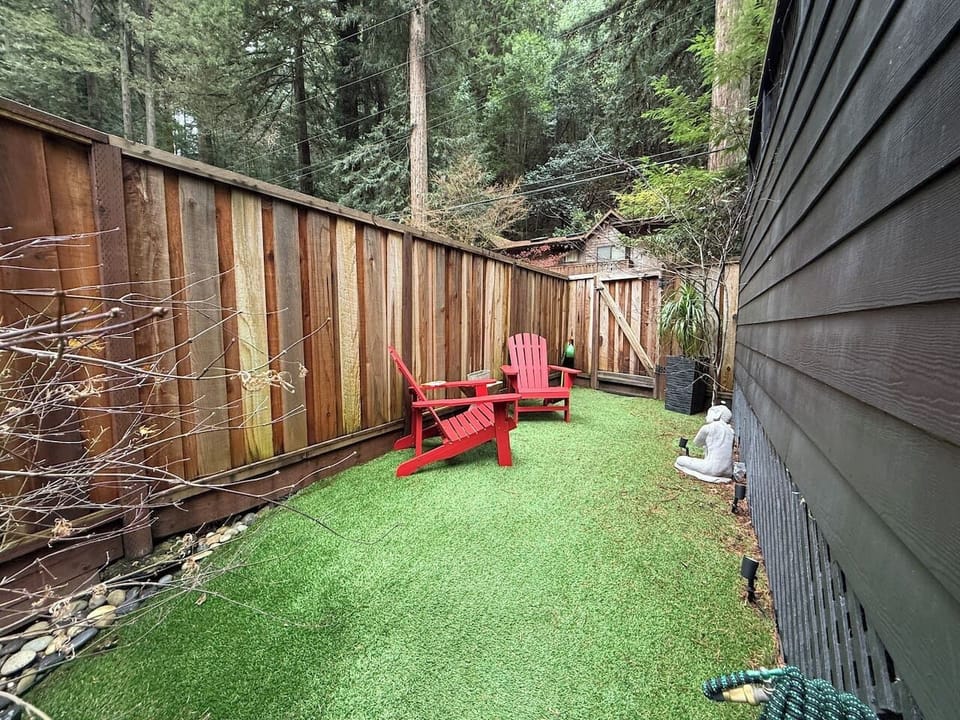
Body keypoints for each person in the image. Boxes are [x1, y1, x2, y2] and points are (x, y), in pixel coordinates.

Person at [674, 404, 734, 483]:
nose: (706, 417)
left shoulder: (708, 428)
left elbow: (697, 443)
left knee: (680, 460)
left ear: (717, 415)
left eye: (709, 414)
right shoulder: (731, 431)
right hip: (728, 471)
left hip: (711, 468)